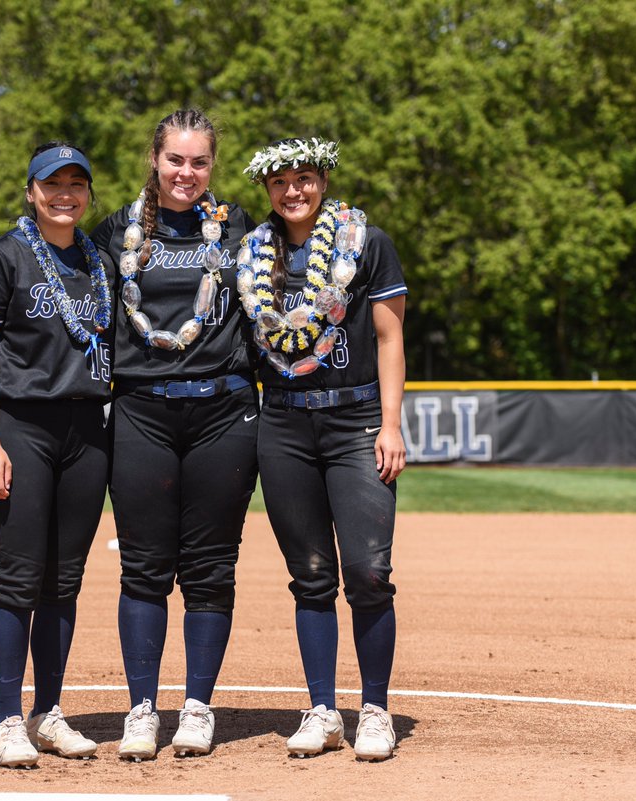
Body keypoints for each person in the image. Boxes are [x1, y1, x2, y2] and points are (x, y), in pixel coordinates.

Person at [89, 108, 260, 760]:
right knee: (144, 568)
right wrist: (1, 247)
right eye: (175, 160)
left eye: (199, 162)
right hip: (142, 413)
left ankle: (196, 706)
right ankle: (141, 708)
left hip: (224, 413)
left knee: (211, 569)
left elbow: (303, 256)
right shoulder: (116, 233)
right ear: (154, 161)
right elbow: (59, 255)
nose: (186, 172)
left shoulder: (239, 228)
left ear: (211, 166)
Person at [236, 137, 407, 761]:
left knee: (368, 573)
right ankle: (322, 709)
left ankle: (377, 710)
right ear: (267, 190)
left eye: (304, 178)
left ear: (323, 180)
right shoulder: (251, 251)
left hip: (356, 419)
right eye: (280, 182)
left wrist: (391, 424)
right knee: (310, 577)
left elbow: (390, 337)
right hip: (282, 425)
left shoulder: (367, 243)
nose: (293, 191)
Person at [0, 142, 114, 768]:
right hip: (22, 427)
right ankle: (6, 720)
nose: (65, 194)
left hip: (88, 433)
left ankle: (48, 712)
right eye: (53, 184)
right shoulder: (1, 257)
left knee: (64, 582)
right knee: (20, 580)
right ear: (31, 191)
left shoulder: (101, 262)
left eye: (77, 183)